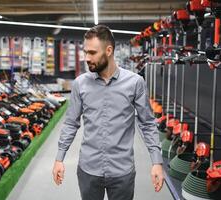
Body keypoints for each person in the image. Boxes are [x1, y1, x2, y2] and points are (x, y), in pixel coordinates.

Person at [52, 25, 164, 200]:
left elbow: (148, 123)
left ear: (109, 50)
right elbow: (70, 123)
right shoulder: (80, 84)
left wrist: (156, 162)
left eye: (92, 53)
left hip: (122, 172)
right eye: (85, 52)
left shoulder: (135, 83)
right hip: (89, 169)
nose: (87, 58)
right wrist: (60, 158)